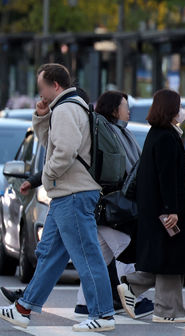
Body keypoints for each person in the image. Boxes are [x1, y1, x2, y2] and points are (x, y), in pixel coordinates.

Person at [0, 63, 116, 331]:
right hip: (69, 194)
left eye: (42, 89)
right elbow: (50, 144)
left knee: (86, 255)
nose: (40, 95)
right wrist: (41, 118)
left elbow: (63, 152)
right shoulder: (68, 107)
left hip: (72, 193)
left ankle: (103, 314)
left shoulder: (65, 109)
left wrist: (48, 177)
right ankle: (23, 307)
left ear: (55, 86)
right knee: (50, 254)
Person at [116, 89, 185, 323]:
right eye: (178, 106)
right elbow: (167, 176)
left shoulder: (157, 134)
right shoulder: (167, 137)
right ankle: (166, 311)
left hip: (157, 208)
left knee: (168, 256)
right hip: (167, 210)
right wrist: (171, 209)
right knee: (172, 257)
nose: (181, 111)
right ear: (170, 109)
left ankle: (138, 290)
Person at [71, 91, 154, 318]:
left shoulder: (115, 132)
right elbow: (127, 169)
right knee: (126, 251)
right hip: (113, 204)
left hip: (105, 204)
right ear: (114, 110)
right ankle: (137, 299)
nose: (128, 111)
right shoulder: (112, 134)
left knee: (100, 255)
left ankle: (84, 303)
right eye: (125, 106)